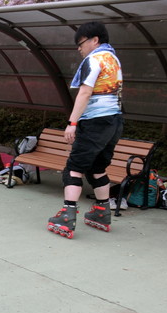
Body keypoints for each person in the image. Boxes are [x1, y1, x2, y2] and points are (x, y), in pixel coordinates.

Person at [47, 21, 124, 239]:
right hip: (115, 120)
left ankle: (67, 216)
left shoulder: (94, 59)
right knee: (97, 167)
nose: (79, 48)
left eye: (81, 43)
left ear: (95, 40)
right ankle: (102, 212)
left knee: (74, 167)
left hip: (95, 122)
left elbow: (85, 92)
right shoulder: (113, 58)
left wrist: (72, 123)